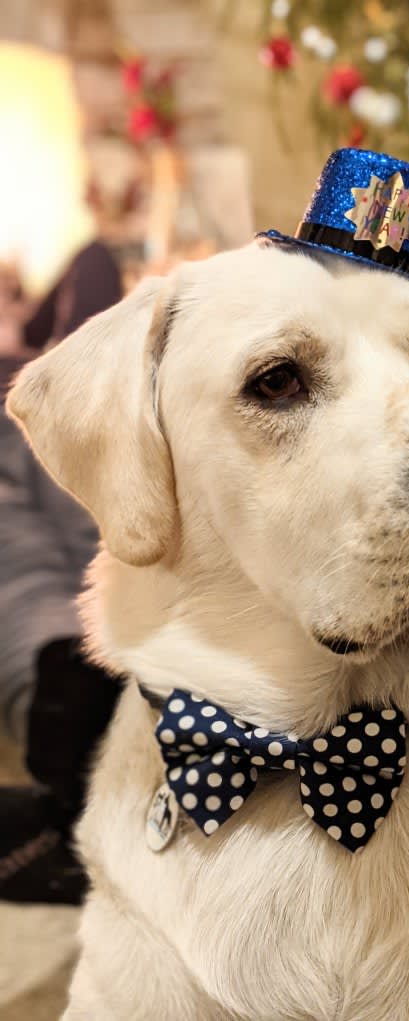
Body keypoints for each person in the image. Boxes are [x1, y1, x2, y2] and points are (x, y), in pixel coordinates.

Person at [0, 237, 124, 904]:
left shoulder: (58, 346)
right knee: (14, 543)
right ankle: (68, 692)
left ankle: (83, 672)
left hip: (51, 414)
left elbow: (96, 255)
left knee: (84, 526)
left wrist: (25, 327)